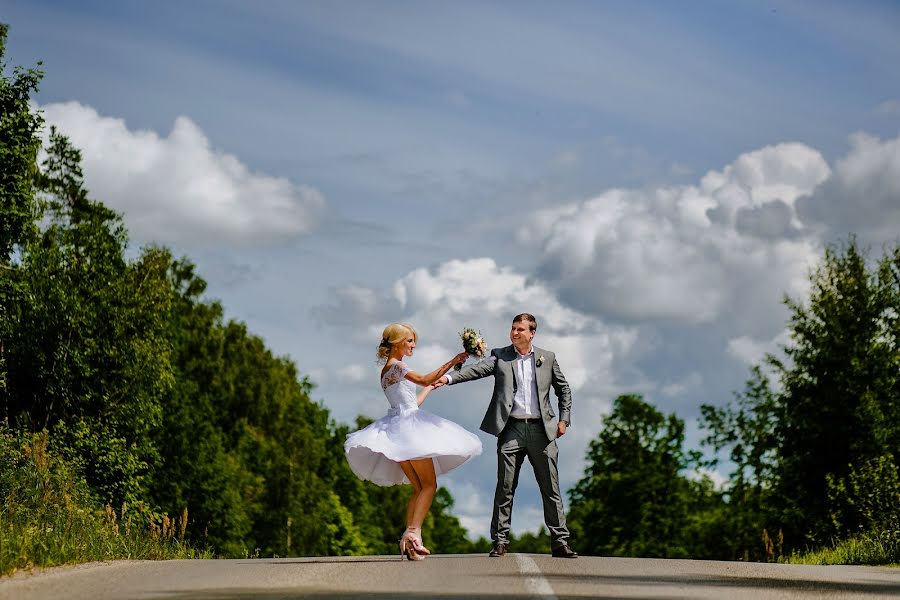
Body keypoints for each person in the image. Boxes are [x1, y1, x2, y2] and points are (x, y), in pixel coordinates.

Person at [437, 313, 578, 558]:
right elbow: (476, 370)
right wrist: (448, 378)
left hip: (541, 431)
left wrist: (564, 419)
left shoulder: (548, 357)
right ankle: (500, 541)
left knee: (550, 488)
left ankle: (560, 542)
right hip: (510, 429)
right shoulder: (500, 355)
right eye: (513, 328)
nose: (514, 332)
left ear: (532, 333)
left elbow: (563, 389)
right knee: (505, 486)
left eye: (520, 329)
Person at [344, 323, 482, 561]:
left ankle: (410, 540)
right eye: (409, 341)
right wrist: (454, 360)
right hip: (410, 430)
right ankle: (413, 536)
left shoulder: (386, 369)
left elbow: (412, 401)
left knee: (419, 488)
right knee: (429, 486)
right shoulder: (397, 365)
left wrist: (430, 387)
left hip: (398, 430)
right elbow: (424, 377)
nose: (413, 345)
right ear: (397, 343)